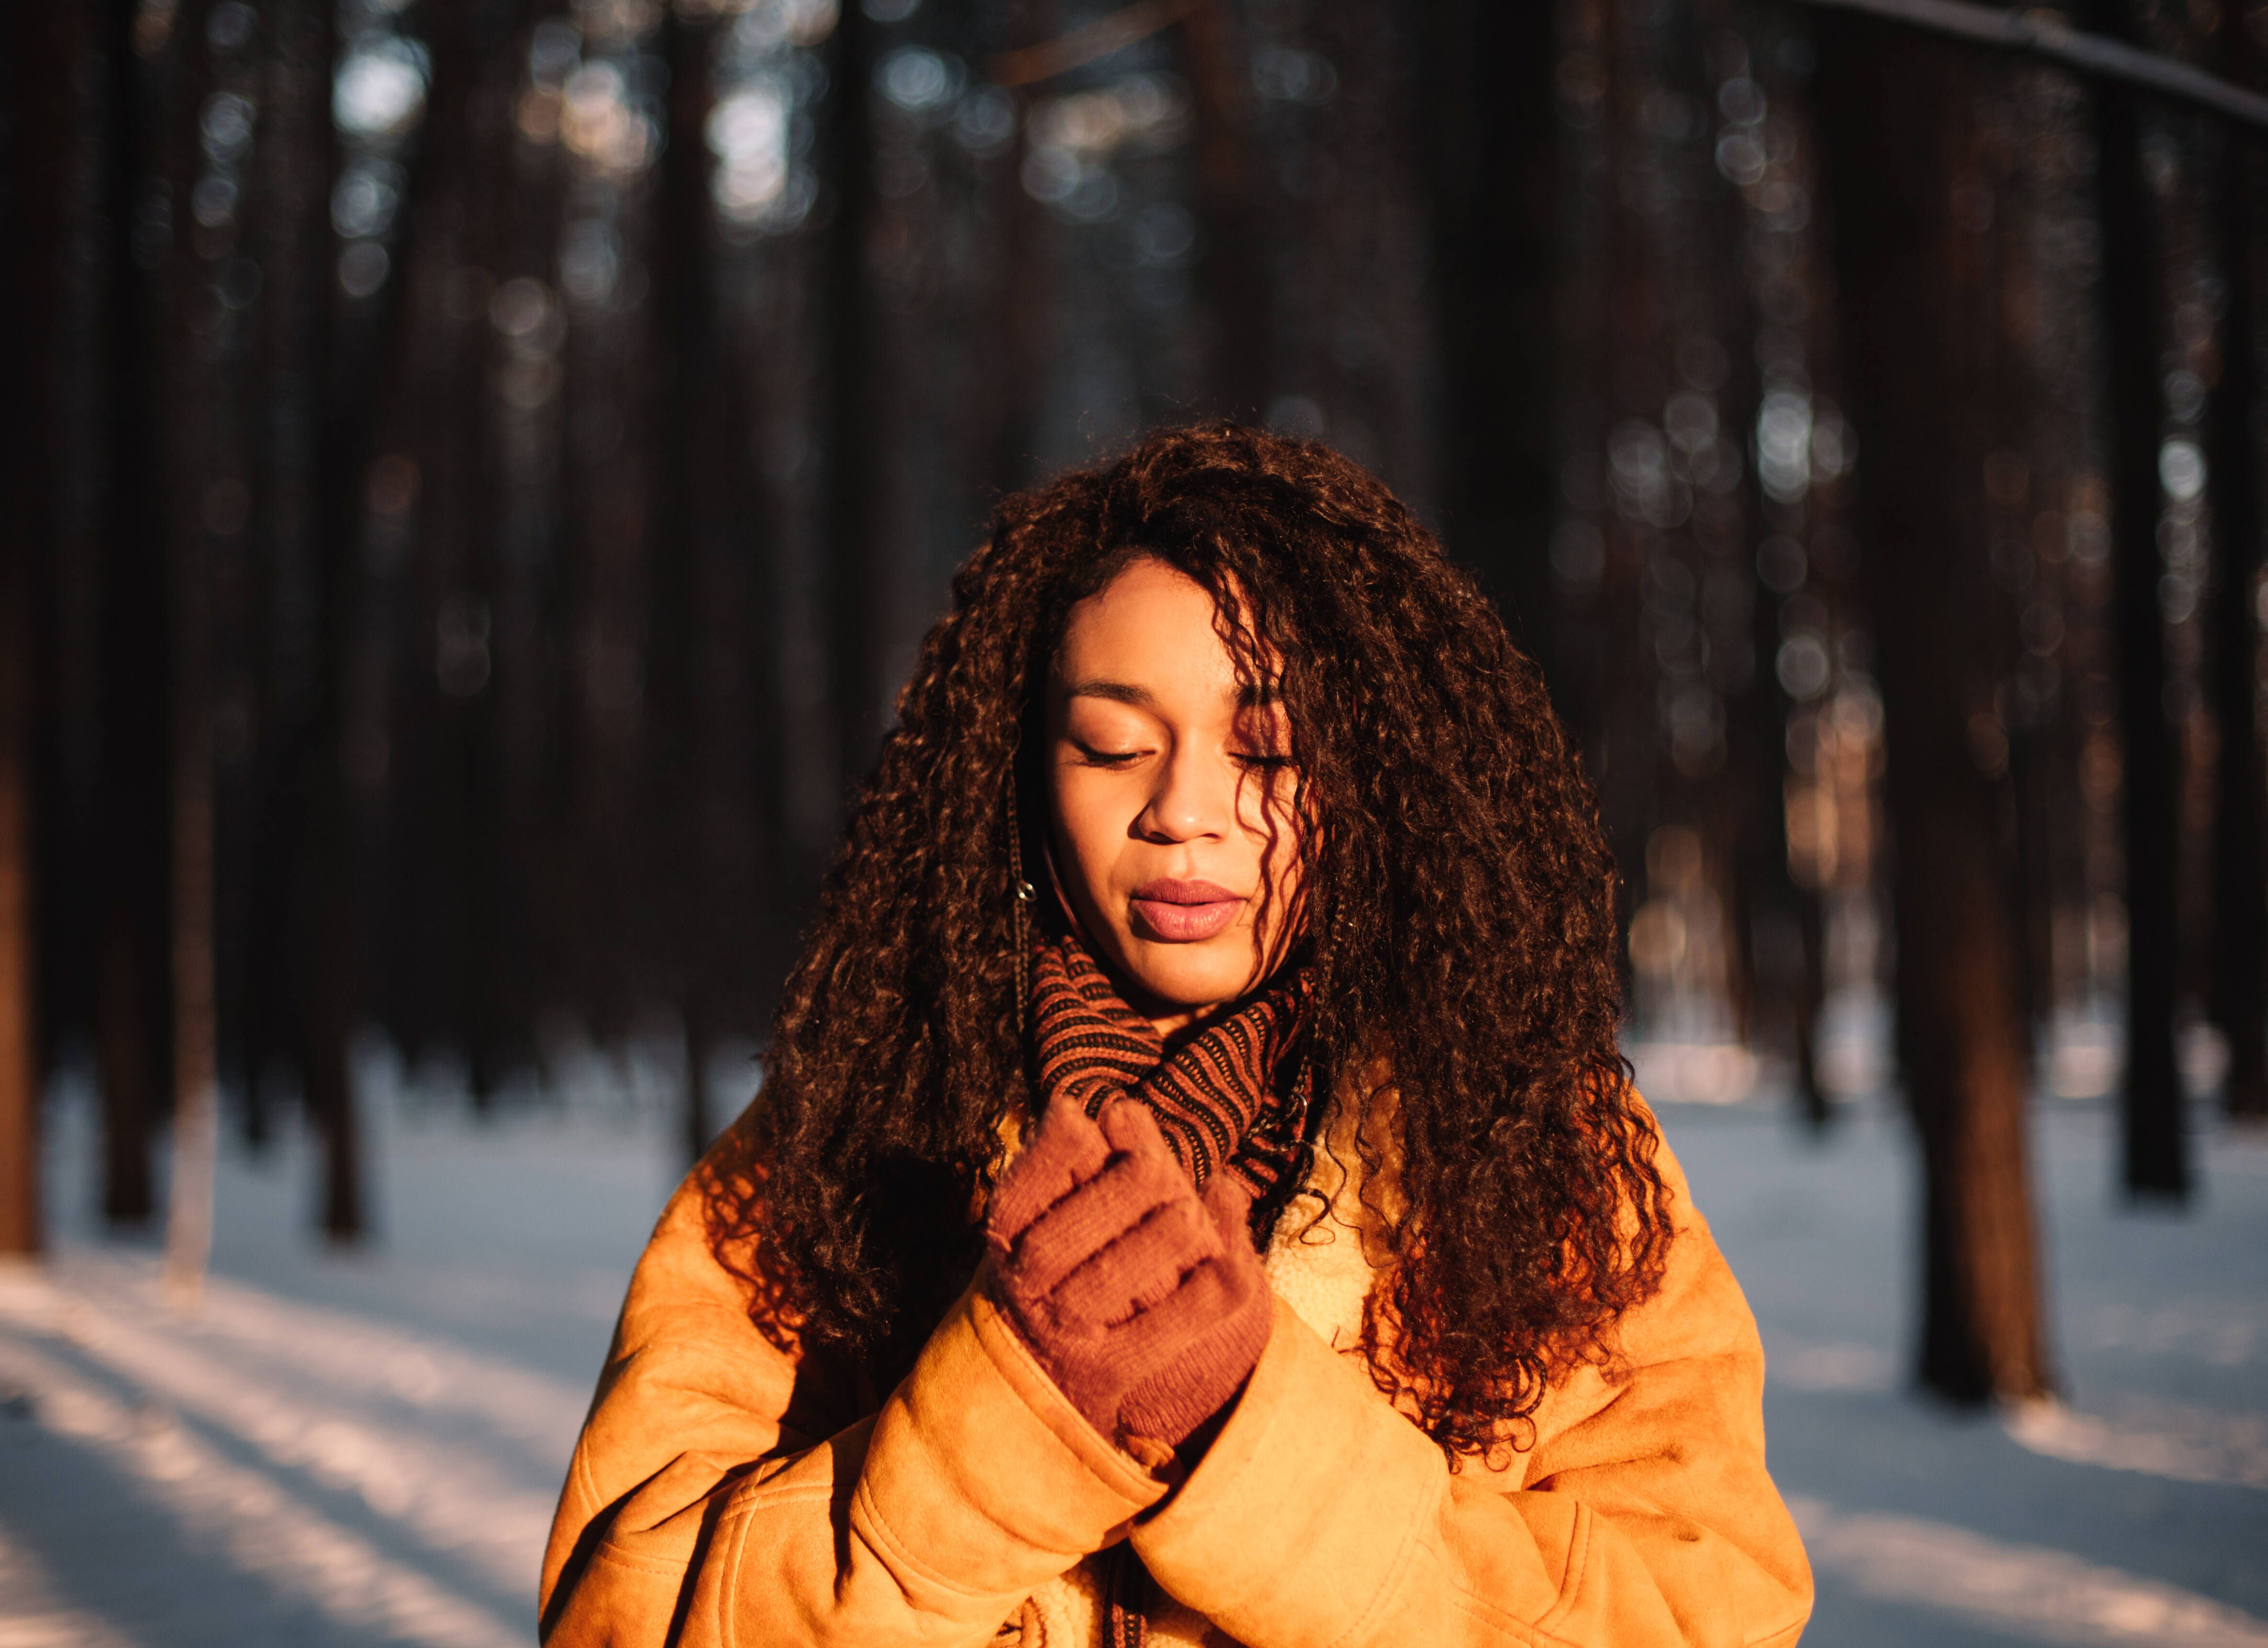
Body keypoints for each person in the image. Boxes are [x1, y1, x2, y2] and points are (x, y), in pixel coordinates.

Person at [539, 425, 1814, 1648]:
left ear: (1368, 772)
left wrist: (1246, 1431)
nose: (1182, 813)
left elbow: (1718, 1611)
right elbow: (620, 1611)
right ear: (1024, 773)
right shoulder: (846, 1131)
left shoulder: (1528, 1135)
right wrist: (1003, 1423)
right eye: (1111, 746)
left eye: (1266, 748)